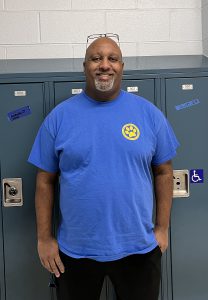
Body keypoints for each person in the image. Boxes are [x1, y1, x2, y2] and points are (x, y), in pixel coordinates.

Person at [28, 34, 179, 300]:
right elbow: (44, 180)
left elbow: (165, 172)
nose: (104, 65)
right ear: (85, 66)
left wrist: (162, 229)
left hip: (139, 249)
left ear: (122, 66)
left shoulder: (149, 114)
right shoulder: (59, 118)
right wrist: (44, 239)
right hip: (75, 252)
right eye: (96, 58)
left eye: (112, 58)